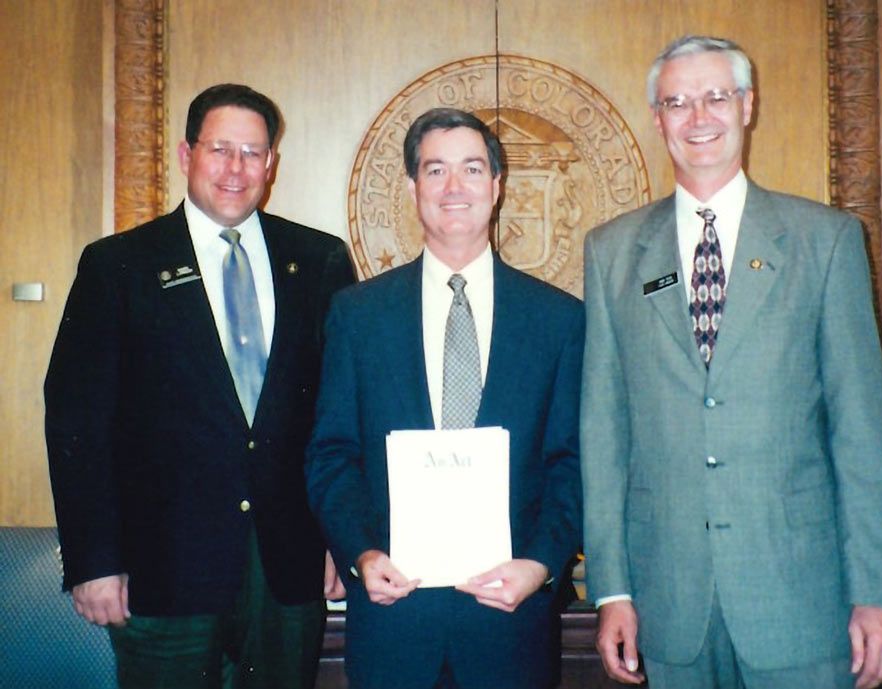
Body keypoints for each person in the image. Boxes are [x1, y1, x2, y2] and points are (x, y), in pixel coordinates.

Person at [581, 35, 882, 689]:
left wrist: (880, 590)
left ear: (747, 105)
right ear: (657, 118)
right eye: (677, 102)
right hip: (666, 603)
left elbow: (862, 429)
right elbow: (603, 432)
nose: (698, 118)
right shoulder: (612, 251)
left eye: (715, 97)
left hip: (804, 601)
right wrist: (611, 588)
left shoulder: (826, 242)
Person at [45, 83, 355, 689]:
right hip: (159, 569)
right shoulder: (118, 266)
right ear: (187, 156)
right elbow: (76, 422)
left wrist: (342, 538)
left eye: (252, 152)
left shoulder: (317, 260)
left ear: (271, 164)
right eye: (220, 149)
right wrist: (94, 561)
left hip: (288, 569)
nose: (236, 168)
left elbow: (340, 415)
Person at [305, 107, 583, 689]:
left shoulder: (558, 320)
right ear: (412, 188)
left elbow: (573, 463)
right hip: (394, 621)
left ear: (497, 185)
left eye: (472, 169)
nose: (454, 188)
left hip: (511, 624)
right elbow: (331, 455)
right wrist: (360, 554)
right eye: (435, 171)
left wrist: (540, 564)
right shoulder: (358, 316)